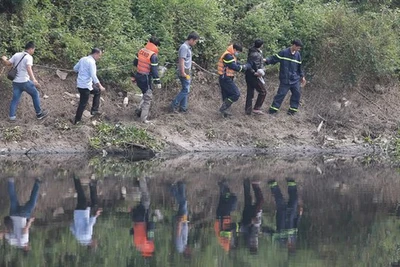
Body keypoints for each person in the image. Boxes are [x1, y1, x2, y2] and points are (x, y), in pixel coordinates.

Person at [1, 41, 49, 122]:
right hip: (24, 82)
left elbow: (7, 63)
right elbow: (29, 68)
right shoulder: (29, 57)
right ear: (30, 49)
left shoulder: (16, 54)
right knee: (35, 94)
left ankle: (12, 117)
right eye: (33, 49)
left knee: (15, 99)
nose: (33, 51)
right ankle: (39, 114)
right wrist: (33, 79)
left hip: (16, 82)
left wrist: (4, 58)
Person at [265, 39, 307, 115]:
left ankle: (292, 111)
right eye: (298, 47)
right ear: (294, 45)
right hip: (285, 79)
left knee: (297, 94)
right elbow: (274, 59)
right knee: (281, 94)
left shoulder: (298, 55)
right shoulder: (284, 52)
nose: (299, 49)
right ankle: (273, 110)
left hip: (295, 79)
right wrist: (266, 60)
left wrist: (302, 76)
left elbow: (299, 67)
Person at [0, 177, 41, 251]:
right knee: (13, 199)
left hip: (23, 215)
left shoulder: (24, 241)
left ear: (26, 248)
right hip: (13, 214)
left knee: (32, 203)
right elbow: (4, 233)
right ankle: (10, 181)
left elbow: (25, 229)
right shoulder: (11, 242)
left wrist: (30, 221)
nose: (29, 244)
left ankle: (37, 183)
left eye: (29, 246)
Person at [267, 178, 303, 253]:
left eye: (291, 248)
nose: (291, 246)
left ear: (288, 249)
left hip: (281, 215)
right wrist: (299, 215)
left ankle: (273, 185)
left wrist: (262, 230)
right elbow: (296, 225)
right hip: (291, 214)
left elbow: (272, 234)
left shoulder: (280, 240)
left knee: (279, 199)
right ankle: (291, 183)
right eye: (293, 247)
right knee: (294, 200)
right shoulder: (294, 237)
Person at [72, 48, 105, 125]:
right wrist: (100, 86)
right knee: (83, 103)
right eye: (99, 55)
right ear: (95, 54)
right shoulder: (92, 62)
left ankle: (94, 110)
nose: (99, 57)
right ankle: (77, 121)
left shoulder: (83, 59)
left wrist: (82, 71)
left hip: (81, 85)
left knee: (97, 91)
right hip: (85, 86)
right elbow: (93, 76)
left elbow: (75, 69)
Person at [133, 36, 162, 123]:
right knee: (148, 97)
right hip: (145, 77)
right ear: (156, 45)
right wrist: (157, 81)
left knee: (145, 93)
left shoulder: (141, 50)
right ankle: (143, 119)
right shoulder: (153, 55)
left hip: (138, 75)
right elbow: (154, 70)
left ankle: (138, 110)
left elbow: (135, 63)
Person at [217, 44, 251, 117]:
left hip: (226, 78)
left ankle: (224, 113)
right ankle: (223, 109)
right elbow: (234, 67)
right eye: (238, 52)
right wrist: (245, 67)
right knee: (236, 94)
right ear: (234, 49)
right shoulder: (228, 56)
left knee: (227, 96)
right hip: (225, 78)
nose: (238, 53)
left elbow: (236, 64)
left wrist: (245, 66)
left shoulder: (231, 55)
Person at [170, 32, 200, 113]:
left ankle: (183, 108)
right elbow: (181, 60)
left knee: (186, 89)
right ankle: (173, 105)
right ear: (191, 39)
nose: (195, 43)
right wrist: (183, 72)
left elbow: (186, 58)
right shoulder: (184, 47)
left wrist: (191, 62)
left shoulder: (188, 47)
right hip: (184, 71)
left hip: (187, 70)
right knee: (185, 90)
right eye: (195, 41)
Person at [70, 175, 102, 246]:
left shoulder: (88, 236)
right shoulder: (79, 239)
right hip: (77, 213)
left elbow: (90, 225)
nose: (96, 240)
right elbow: (71, 227)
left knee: (88, 200)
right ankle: (76, 178)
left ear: (92, 244)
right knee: (80, 194)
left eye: (96, 243)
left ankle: (91, 183)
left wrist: (95, 216)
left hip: (83, 212)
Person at [130, 177, 155, 258]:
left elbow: (150, 228)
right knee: (142, 200)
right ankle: (137, 183)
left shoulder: (149, 245)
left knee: (146, 199)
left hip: (142, 218)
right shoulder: (138, 246)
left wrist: (154, 220)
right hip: (135, 218)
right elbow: (132, 232)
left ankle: (141, 178)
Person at [240, 178, 264, 254]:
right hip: (254, 215)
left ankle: (249, 182)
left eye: (254, 246)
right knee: (257, 200)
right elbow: (258, 229)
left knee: (249, 198)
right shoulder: (254, 240)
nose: (255, 244)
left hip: (249, 216)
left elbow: (243, 226)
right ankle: (252, 184)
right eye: (256, 246)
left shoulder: (247, 238)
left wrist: (251, 222)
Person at [214, 180, 238, 252]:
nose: (233, 242)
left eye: (233, 244)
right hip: (221, 217)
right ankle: (222, 186)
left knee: (233, 200)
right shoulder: (224, 244)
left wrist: (234, 229)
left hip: (223, 218)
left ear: (232, 246)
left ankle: (224, 186)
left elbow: (225, 231)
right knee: (223, 199)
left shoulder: (226, 244)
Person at [245, 39, 267, 115]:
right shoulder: (256, 54)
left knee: (250, 93)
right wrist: (256, 73)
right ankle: (256, 108)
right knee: (263, 92)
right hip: (254, 76)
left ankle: (248, 110)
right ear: (261, 45)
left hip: (248, 75)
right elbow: (255, 65)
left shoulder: (251, 52)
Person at [170, 181, 191, 256]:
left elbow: (178, 235)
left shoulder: (180, 247)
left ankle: (172, 189)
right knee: (183, 204)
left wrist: (179, 222)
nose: (190, 249)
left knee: (183, 202)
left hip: (181, 221)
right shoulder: (184, 246)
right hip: (184, 220)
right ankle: (181, 186)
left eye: (190, 251)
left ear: (187, 253)